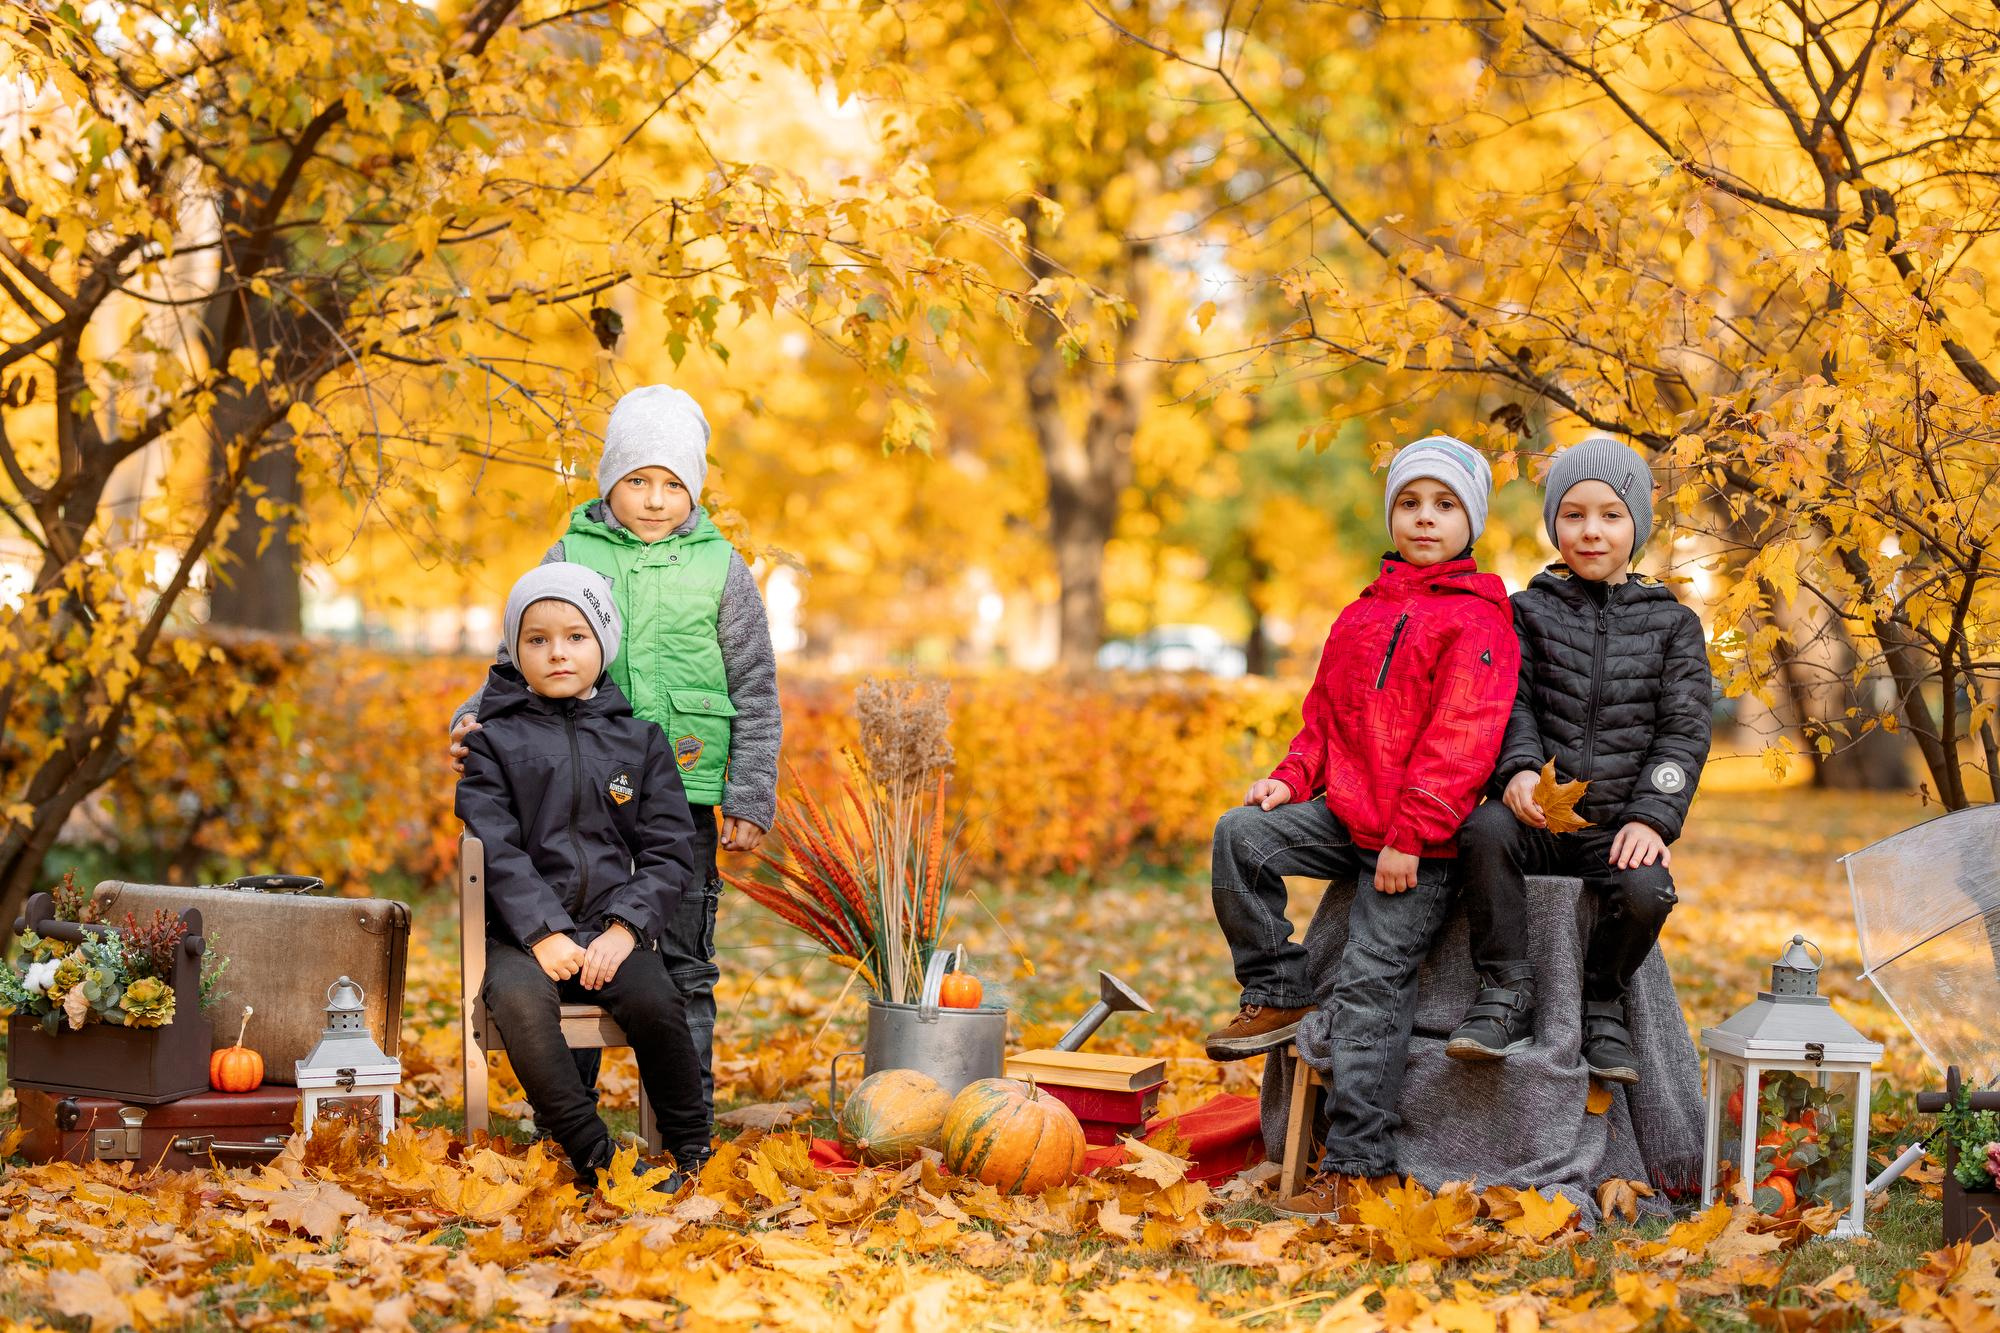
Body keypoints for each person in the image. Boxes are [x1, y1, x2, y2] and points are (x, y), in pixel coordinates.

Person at [1204, 436, 1520, 1217]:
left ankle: (1358, 1165)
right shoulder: (1361, 613)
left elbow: (1462, 739)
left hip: (1424, 842)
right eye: (1411, 502)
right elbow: (1326, 721)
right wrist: (1287, 778)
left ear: (1469, 521)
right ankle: (1277, 988)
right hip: (1350, 814)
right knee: (1240, 836)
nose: (1424, 517)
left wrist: (1410, 835)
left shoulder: (1478, 620)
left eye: (1444, 505)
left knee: (1373, 980)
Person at [451, 385, 780, 1128]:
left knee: (685, 963)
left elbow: (755, 682)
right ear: (610, 482)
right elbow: (524, 647)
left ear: (692, 488)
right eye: (638, 481)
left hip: (686, 791)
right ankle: (571, 1112)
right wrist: (476, 717)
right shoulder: (574, 552)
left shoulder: (722, 568)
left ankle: (683, 1110)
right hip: (576, 789)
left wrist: (751, 791)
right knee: (579, 949)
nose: (656, 500)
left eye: (672, 484)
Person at [1444, 436, 1711, 1087]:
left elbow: (1683, 731)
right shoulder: (1523, 611)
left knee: (1649, 888)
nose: (1591, 531)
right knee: (1483, 833)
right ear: (1553, 523)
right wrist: (1519, 770)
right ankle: (1504, 988)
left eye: (1610, 515)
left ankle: (1602, 1001)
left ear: (1637, 523)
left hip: (1615, 823)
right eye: (1573, 515)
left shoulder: (1673, 626)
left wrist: (1652, 816)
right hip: (1537, 815)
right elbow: (1513, 700)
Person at [456, 563, 711, 1191]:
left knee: (656, 1002)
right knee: (518, 1002)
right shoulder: (493, 743)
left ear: (604, 644)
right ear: (515, 651)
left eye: (575, 636)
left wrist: (626, 929)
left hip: (609, 928)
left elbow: (671, 849)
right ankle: (594, 1154)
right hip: (521, 934)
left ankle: (692, 1148)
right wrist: (542, 933)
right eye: (536, 639)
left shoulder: (641, 741)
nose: (557, 652)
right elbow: (497, 846)